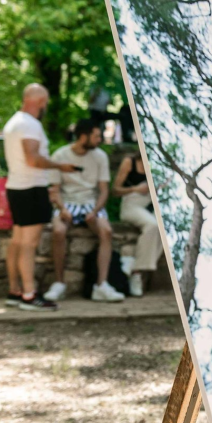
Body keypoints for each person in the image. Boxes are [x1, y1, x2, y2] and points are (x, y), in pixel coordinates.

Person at [3, 84, 78, 311]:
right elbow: (33, 159)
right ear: (41, 102)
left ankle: (15, 291)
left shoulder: (14, 122)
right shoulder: (30, 125)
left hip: (16, 187)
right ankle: (29, 295)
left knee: (18, 241)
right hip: (31, 189)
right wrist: (60, 166)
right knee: (29, 244)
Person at [45, 119, 125, 302]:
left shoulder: (100, 156)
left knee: (106, 231)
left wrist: (95, 211)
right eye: (96, 136)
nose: (100, 139)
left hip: (91, 203)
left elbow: (104, 191)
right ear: (83, 136)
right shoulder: (60, 155)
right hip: (67, 202)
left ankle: (101, 285)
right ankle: (59, 284)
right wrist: (62, 209)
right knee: (58, 231)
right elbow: (54, 190)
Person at [113, 151, 163, 297]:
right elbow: (115, 190)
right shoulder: (130, 162)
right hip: (131, 205)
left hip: (148, 206)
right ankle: (136, 272)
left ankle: (133, 267)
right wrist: (135, 189)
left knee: (162, 229)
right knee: (153, 225)